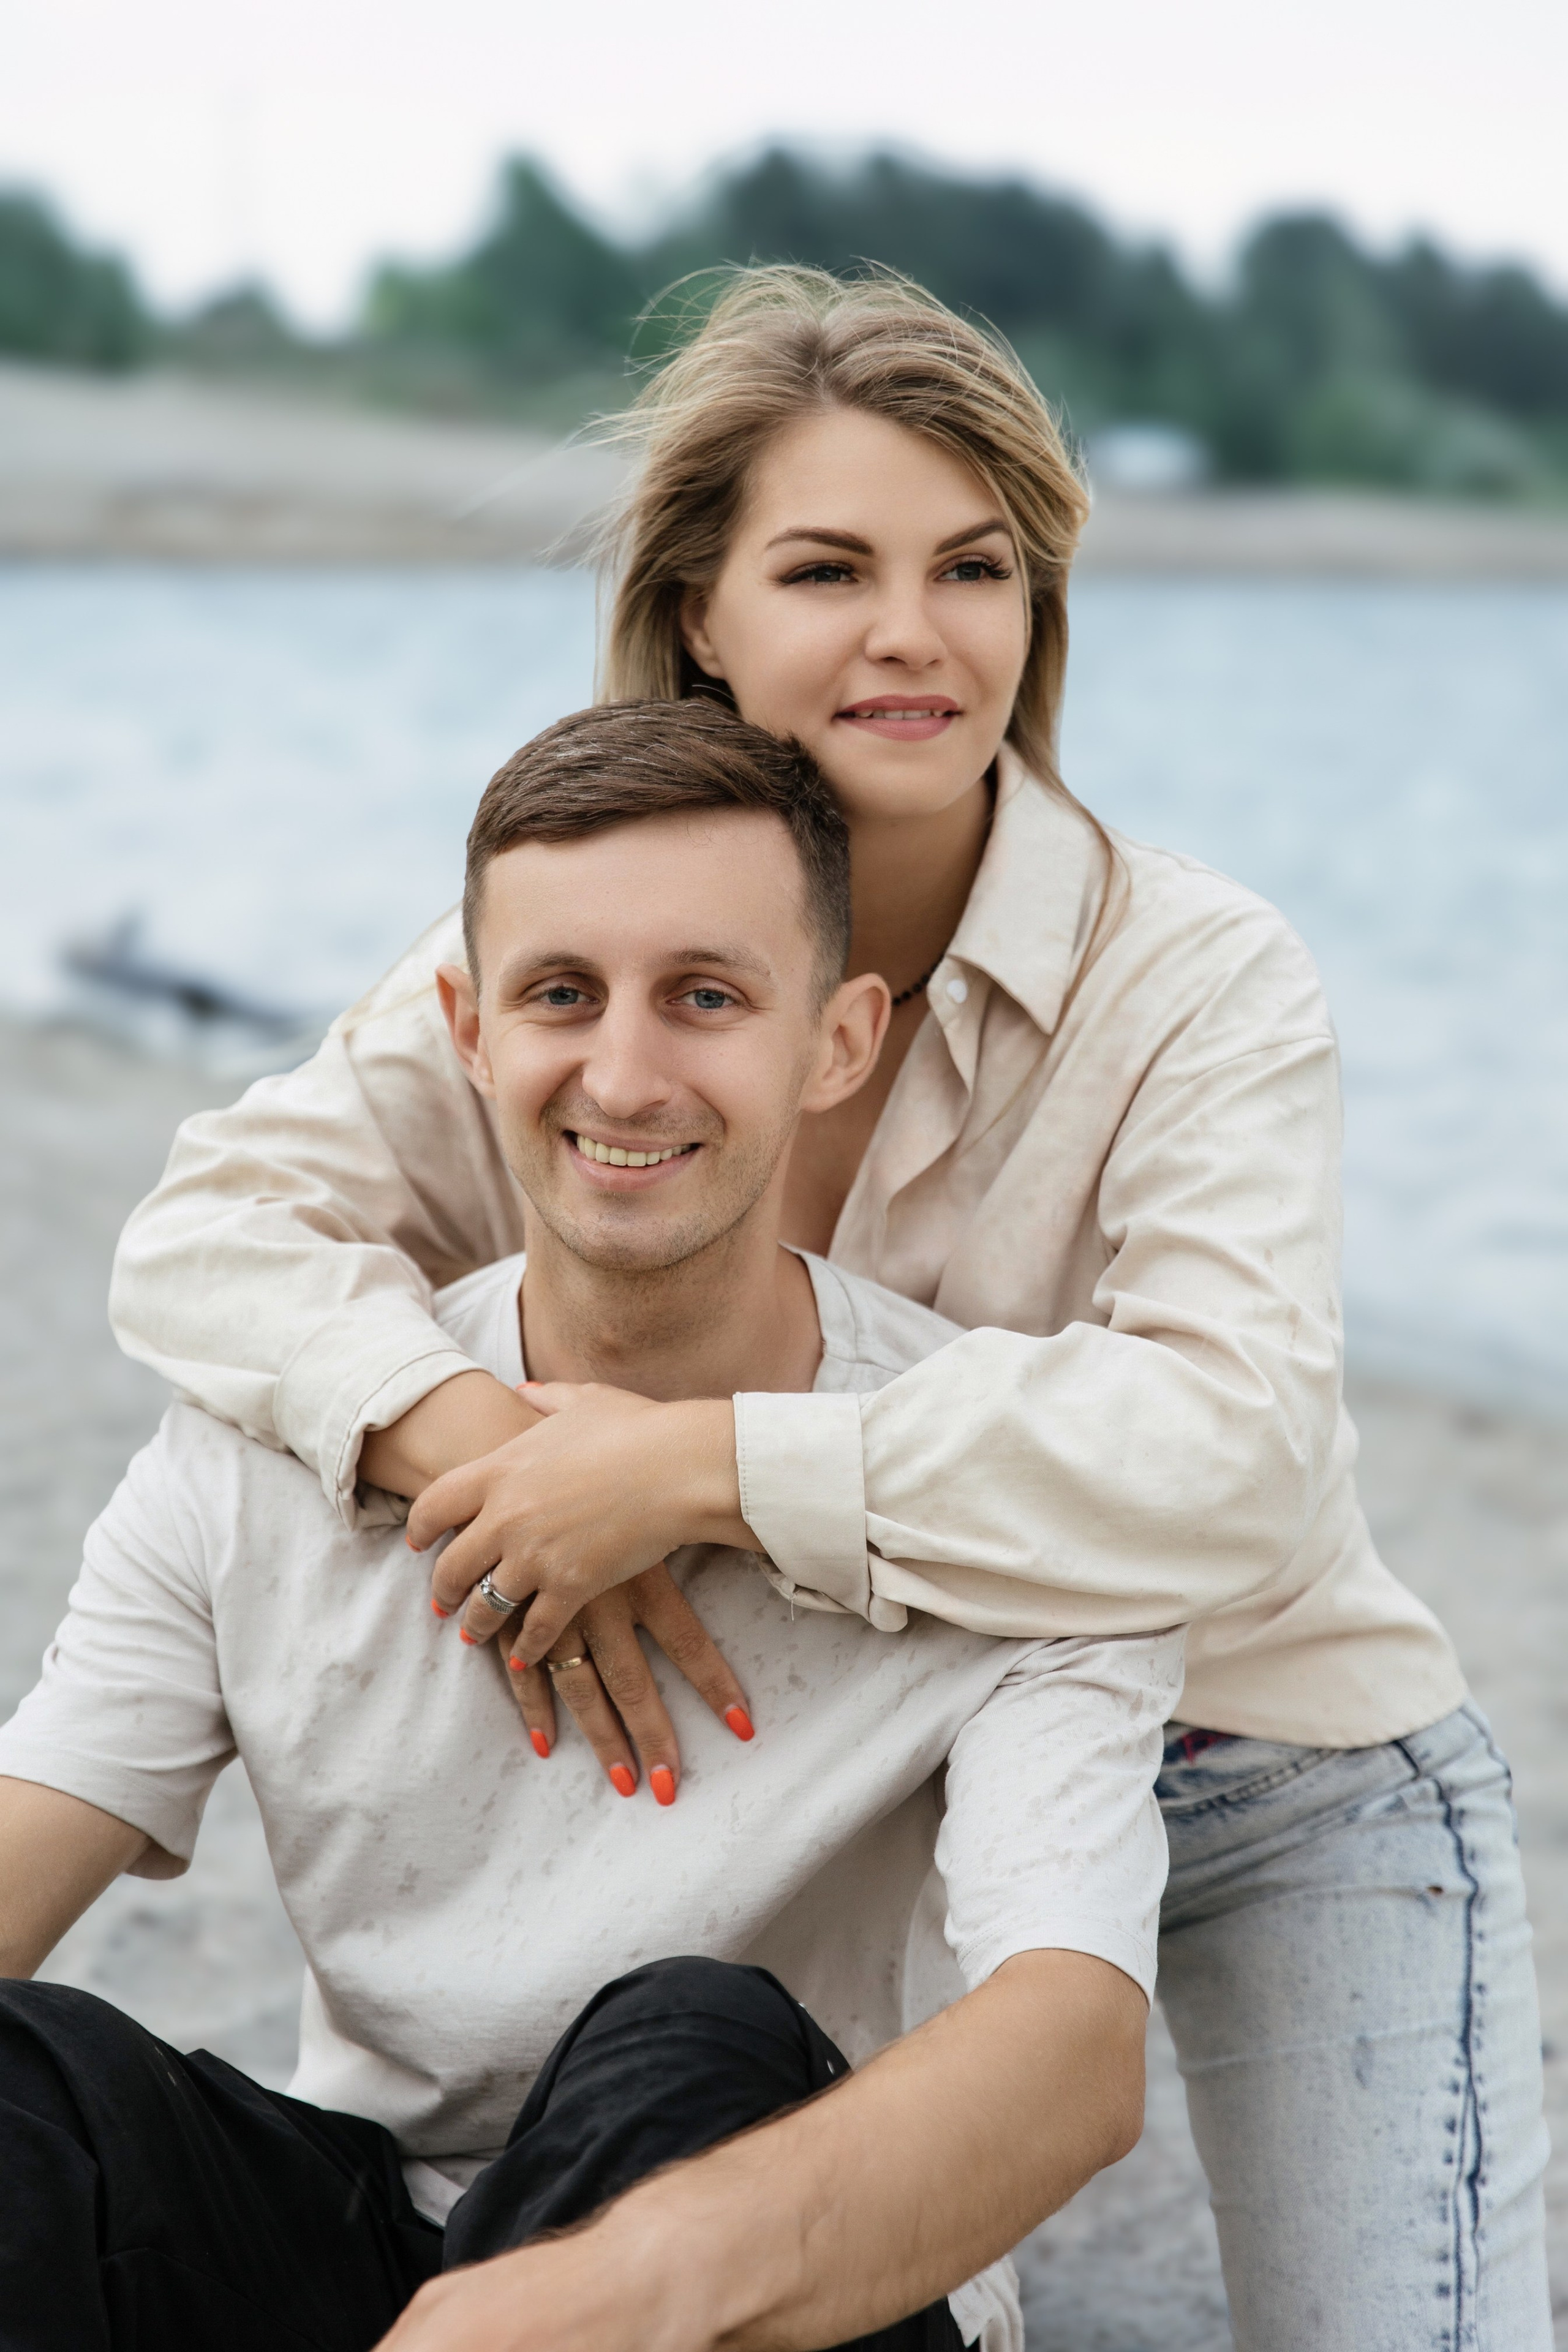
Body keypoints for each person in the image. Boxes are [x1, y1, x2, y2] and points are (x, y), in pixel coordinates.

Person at [108, 268, 1551, 2346]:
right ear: (702, 608)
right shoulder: (594, 948)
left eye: (978, 566)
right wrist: (489, 1455)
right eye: (829, 567)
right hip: (861, 1784)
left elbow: (1232, 1464)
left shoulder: (1202, 981)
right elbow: (207, 1233)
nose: (915, 631)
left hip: (1269, 1767)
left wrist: (689, 1470)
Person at [0, 699, 1176, 2352]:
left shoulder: (994, 1476)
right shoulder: (281, 1432)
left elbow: (1072, 2058)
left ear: (837, 1043)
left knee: (691, 2045)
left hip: (767, 2273)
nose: (623, 1072)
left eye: (706, 997)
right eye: (563, 995)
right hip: (366, 2229)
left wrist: (600, 2293)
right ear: (468, 1031)